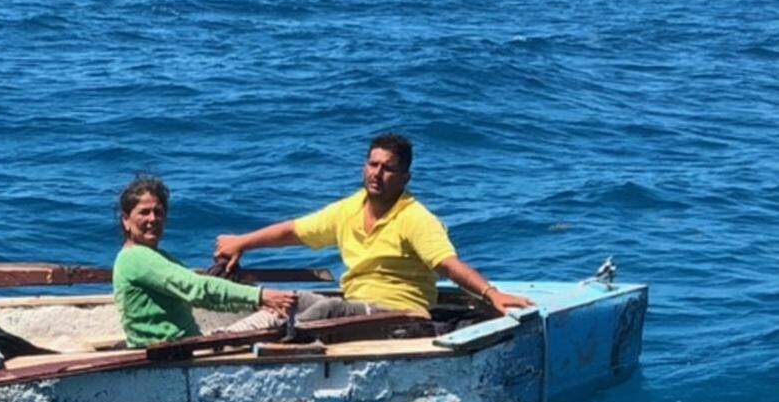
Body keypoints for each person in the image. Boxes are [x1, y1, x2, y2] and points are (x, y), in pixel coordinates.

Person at [214, 133, 533, 329]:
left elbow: (448, 264)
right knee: (286, 300)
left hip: (400, 313)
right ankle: (224, 340)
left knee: (328, 308)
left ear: (404, 177)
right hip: (358, 306)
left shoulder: (415, 218)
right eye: (372, 164)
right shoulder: (348, 209)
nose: (377, 174)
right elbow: (295, 232)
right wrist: (242, 242)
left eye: (388, 168)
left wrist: (491, 294)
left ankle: (267, 344)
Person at [113, 176, 296, 348]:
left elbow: (204, 300)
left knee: (283, 311)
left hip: (188, 346)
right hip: (173, 353)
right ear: (126, 220)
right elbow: (197, 288)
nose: (153, 219)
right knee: (299, 313)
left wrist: (255, 304)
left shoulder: (158, 256)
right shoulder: (135, 257)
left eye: (158, 212)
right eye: (144, 212)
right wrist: (259, 295)